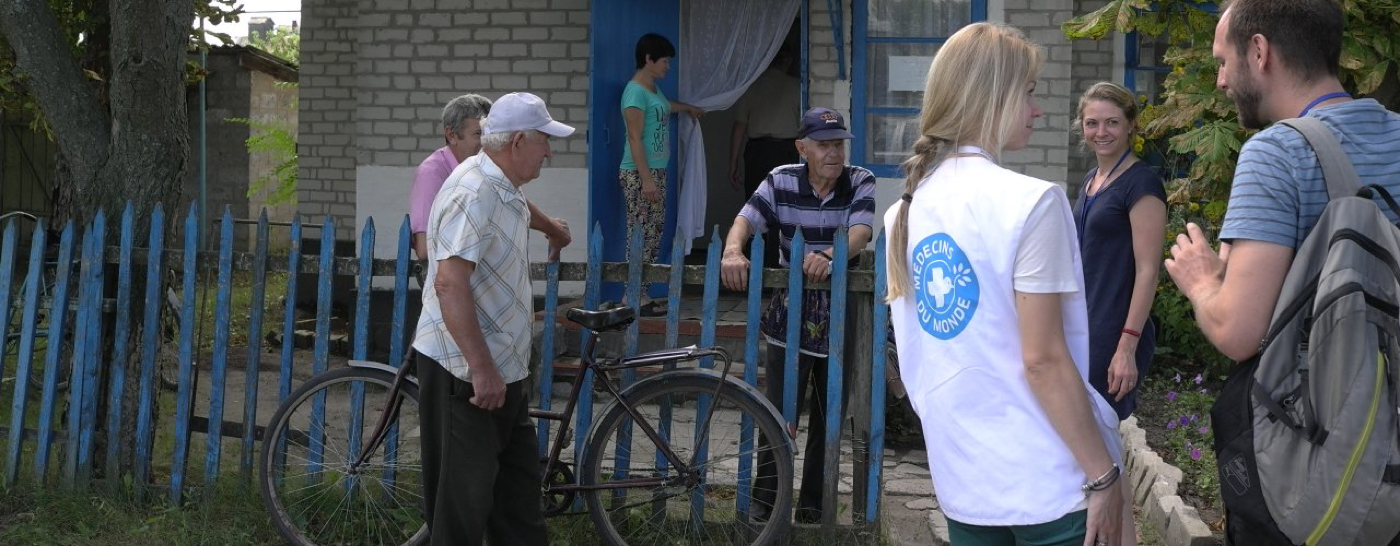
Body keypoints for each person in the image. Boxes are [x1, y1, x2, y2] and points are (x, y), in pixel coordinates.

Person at [883, 22, 1129, 546]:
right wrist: (1103, 475)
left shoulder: (902, 213)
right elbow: (1042, 360)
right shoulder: (1031, 202)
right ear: (991, 97)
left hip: (965, 480)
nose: (1037, 109)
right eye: (1029, 92)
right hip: (1048, 480)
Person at [1163, 1, 1400, 541]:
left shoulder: (1277, 153)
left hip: (1323, 458)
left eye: (1223, 62)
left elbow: (1239, 332)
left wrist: (1202, 282)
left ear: (1260, 51)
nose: (1221, 80)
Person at [412, 92, 574, 546]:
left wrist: (553, 229)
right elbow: (449, 283)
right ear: (519, 141)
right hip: (465, 373)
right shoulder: (472, 191)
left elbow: (520, 208)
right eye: (544, 141)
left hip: (504, 370)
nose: (549, 151)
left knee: (517, 505)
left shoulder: (503, 183)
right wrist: (481, 370)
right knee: (460, 514)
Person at [719, 107, 876, 524]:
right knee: (778, 413)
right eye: (823, 145)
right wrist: (733, 250)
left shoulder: (860, 179)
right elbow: (746, 219)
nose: (833, 153)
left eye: (838, 144)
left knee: (828, 416)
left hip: (840, 313)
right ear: (802, 148)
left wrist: (829, 254)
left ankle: (812, 507)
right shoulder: (781, 179)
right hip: (791, 310)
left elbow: (861, 231)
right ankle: (765, 503)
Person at [1071, 81, 1167, 420]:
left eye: (1112, 122)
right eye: (1092, 123)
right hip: (1082, 322)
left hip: (1113, 331)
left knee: (1097, 431)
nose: (1101, 132)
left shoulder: (1141, 185)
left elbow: (1148, 271)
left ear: (1130, 125)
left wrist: (1126, 347)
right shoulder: (1091, 179)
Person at [619, 33, 702, 316]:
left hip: (655, 171)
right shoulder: (635, 92)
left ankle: (640, 293)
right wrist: (646, 179)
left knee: (653, 233)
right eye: (664, 61)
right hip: (640, 173)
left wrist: (688, 108)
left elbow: (666, 108)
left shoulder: (653, 89)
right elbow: (634, 137)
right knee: (640, 231)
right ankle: (631, 295)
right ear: (649, 59)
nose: (668, 66)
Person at [728, 47, 802, 271]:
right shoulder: (796, 86)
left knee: (755, 206)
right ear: (787, 60)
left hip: (757, 151)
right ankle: (778, 262)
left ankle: (754, 264)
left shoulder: (752, 87)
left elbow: (739, 128)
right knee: (785, 205)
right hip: (787, 150)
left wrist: (733, 162)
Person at [409, 94, 492, 262]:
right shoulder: (432, 172)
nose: (487, 142)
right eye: (478, 133)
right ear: (451, 135)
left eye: (490, 133)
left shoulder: (485, 166)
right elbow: (425, 250)